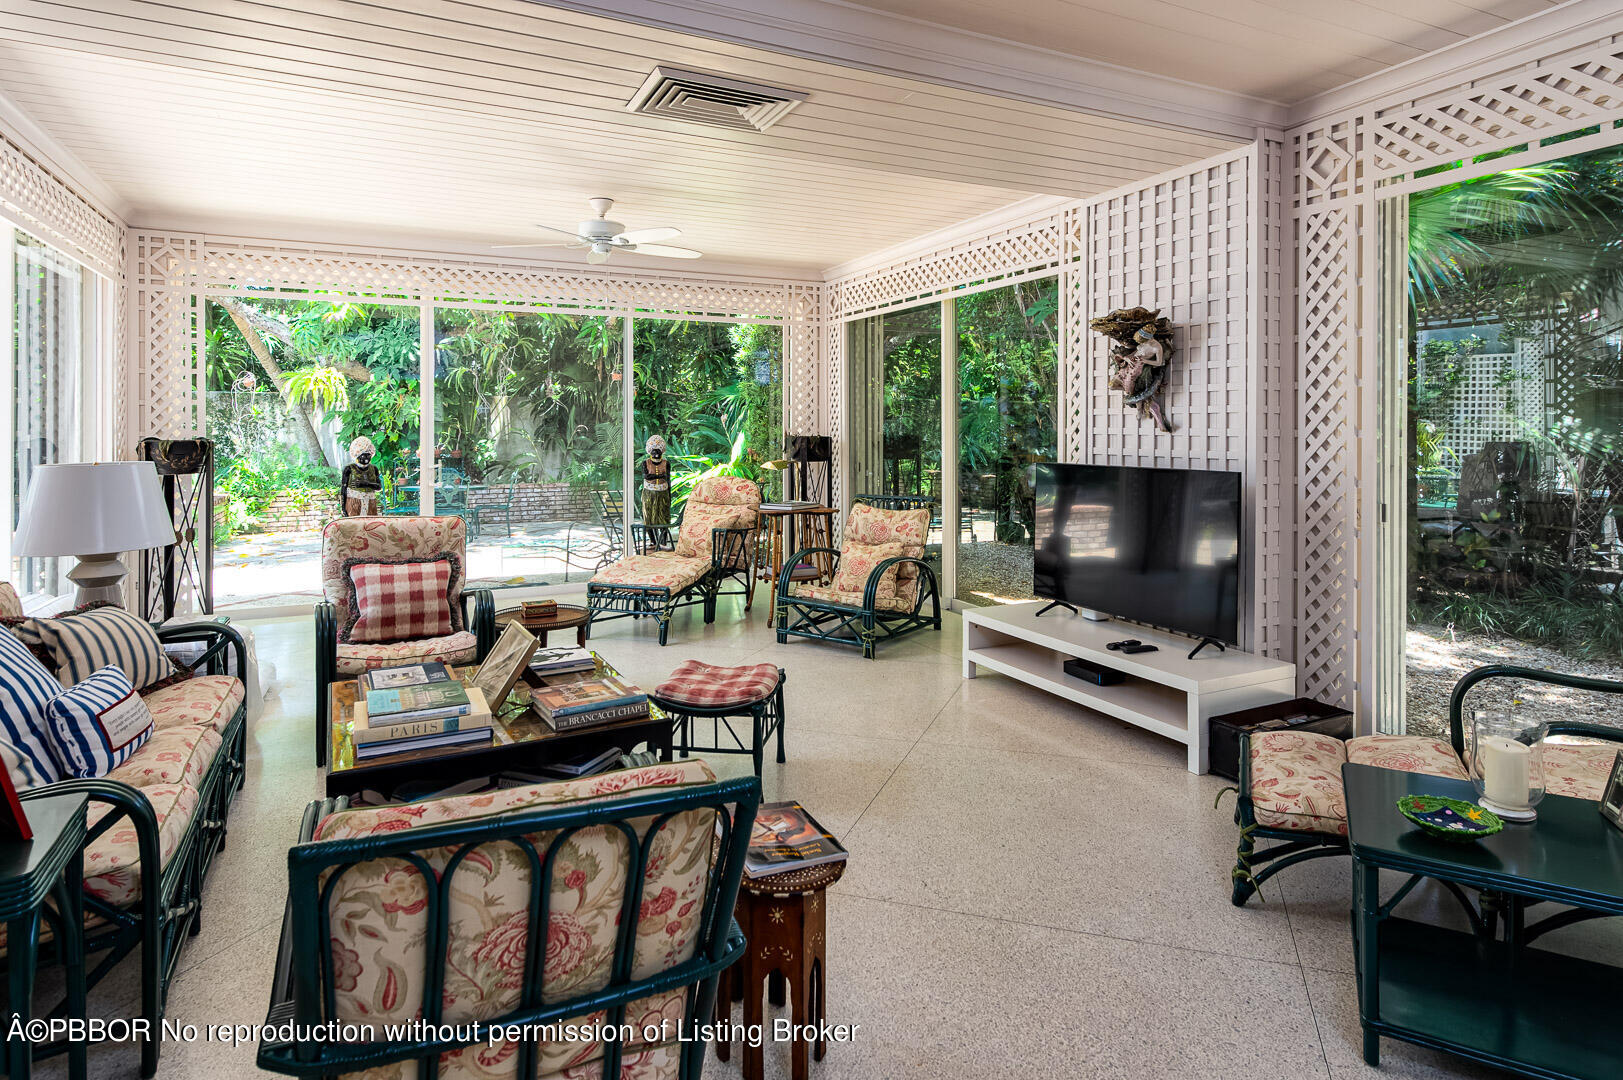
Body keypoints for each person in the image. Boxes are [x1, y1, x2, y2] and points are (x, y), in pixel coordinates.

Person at [640, 435, 672, 547]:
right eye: (653, 451)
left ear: (662, 451)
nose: (656, 453)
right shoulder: (645, 463)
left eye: (658, 450)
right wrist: (659, 476)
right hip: (649, 494)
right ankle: (653, 541)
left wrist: (669, 494)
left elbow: (667, 479)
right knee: (649, 517)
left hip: (663, 493)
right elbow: (646, 476)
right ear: (649, 451)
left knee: (663, 517)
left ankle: (663, 541)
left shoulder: (666, 463)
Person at [340, 436, 383, 516]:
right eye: (363, 455)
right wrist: (343, 507)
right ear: (357, 455)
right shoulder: (349, 469)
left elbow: (379, 487)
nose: (366, 458)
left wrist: (365, 484)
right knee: (355, 525)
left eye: (368, 455)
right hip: (354, 502)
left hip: (370, 502)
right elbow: (343, 489)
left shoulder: (374, 469)